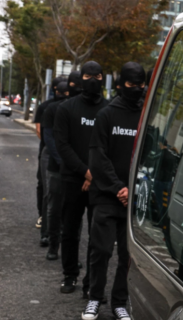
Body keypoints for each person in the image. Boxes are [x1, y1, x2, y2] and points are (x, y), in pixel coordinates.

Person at [81, 62, 146, 320]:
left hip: (133, 199)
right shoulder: (107, 115)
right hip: (107, 196)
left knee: (127, 257)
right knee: (101, 250)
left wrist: (134, 188)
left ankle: (120, 302)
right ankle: (95, 298)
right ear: (121, 84)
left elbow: (148, 154)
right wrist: (118, 188)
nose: (137, 89)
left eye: (141, 85)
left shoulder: (145, 115)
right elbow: (98, 157)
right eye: (131, 85)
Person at [54, 61, 109, 295]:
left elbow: (110, 147)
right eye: (88, 76)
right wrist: (85, 171)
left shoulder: (109, 110)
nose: (93, 80)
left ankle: (91, 284)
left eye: (98, 76)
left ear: (103, 78)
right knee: (70, 231)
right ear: (81, 78)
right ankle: (70, 275)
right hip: (72, 179)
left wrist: (94, 173)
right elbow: (62, 146)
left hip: (99, 182)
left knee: (97, 236)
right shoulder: (66, 108)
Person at [43, 74, 81, 260]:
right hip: (57, 167)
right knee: (54, 209)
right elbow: (50, 138)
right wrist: (63, 161)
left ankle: (70, 254)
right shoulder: (53, 109)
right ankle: (53, 245)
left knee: (74, 214)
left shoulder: (83, 110)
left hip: (75, 170)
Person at [34, 76, 65, 246]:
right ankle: (44, 224)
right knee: (46, 189)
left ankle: (56, 228)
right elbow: (42, 132)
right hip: (48, 154)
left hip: (59, 156)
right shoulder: (46, 107)